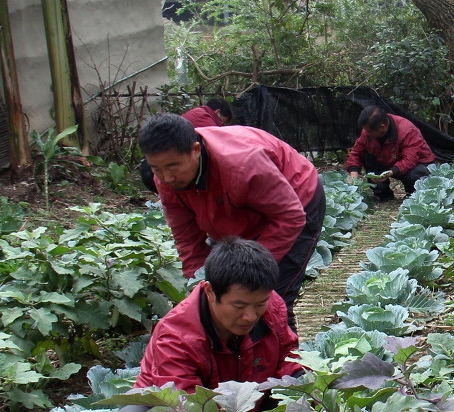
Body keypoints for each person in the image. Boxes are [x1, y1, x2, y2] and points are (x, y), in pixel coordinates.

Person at [100, 238, 300, 412]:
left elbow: (287, 355)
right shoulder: (176, 336)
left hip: (247, 397)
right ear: (209, 291)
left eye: (259, 304)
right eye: (239, 305)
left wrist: (297, 379)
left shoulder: (271, 308)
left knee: (296, 391)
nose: (250, 316)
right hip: (182, 409)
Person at [139, 112, 325, 329]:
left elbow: (290, 216)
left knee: (265, 301)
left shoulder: (243, 162)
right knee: (225, 304)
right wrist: (204, 288)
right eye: (157, 169)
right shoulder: (167, 179)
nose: (166, 177)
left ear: (195, 150)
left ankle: (286, 360)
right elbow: (187, 240)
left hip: (295, 203)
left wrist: (251, 270)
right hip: (236, 214)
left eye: (173, 167)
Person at [346, 106, 436, 199]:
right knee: (368, 157)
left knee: (414, 174)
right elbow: (356, 152)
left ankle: (413, 195)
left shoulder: (406, 130)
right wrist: (354, 172)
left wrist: (391, 172)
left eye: (369, 131)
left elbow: (410, 160)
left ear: (382, 127)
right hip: (390, 161)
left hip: (418, 164)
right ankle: (382, 195)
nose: (366, 133)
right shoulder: (368, 132)